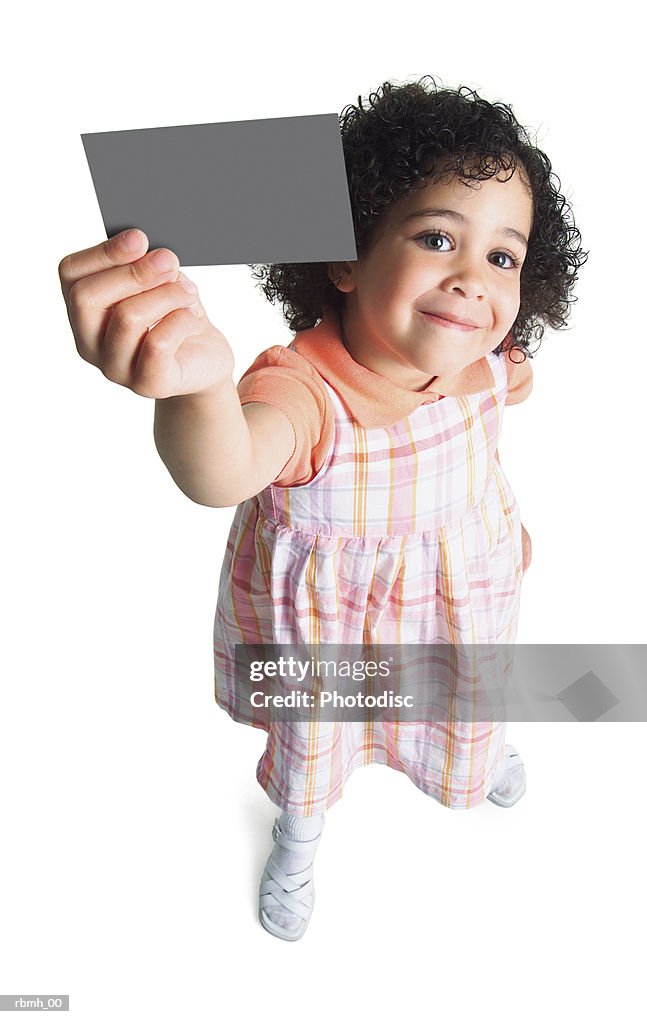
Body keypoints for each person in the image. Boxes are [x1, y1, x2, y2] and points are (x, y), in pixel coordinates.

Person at [59, 76, 586, 943]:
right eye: (435, 236)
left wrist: (503, 399)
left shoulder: (493, 366)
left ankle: (475, 749)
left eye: (501, 257)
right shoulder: (304, 393)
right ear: (345, 255)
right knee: (318, 740)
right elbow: (223, 468)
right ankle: (298, 835)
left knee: (462, 688)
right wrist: (195, 390)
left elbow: (501, 396)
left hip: (458, 603)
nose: (470, 279)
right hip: (329, 634)